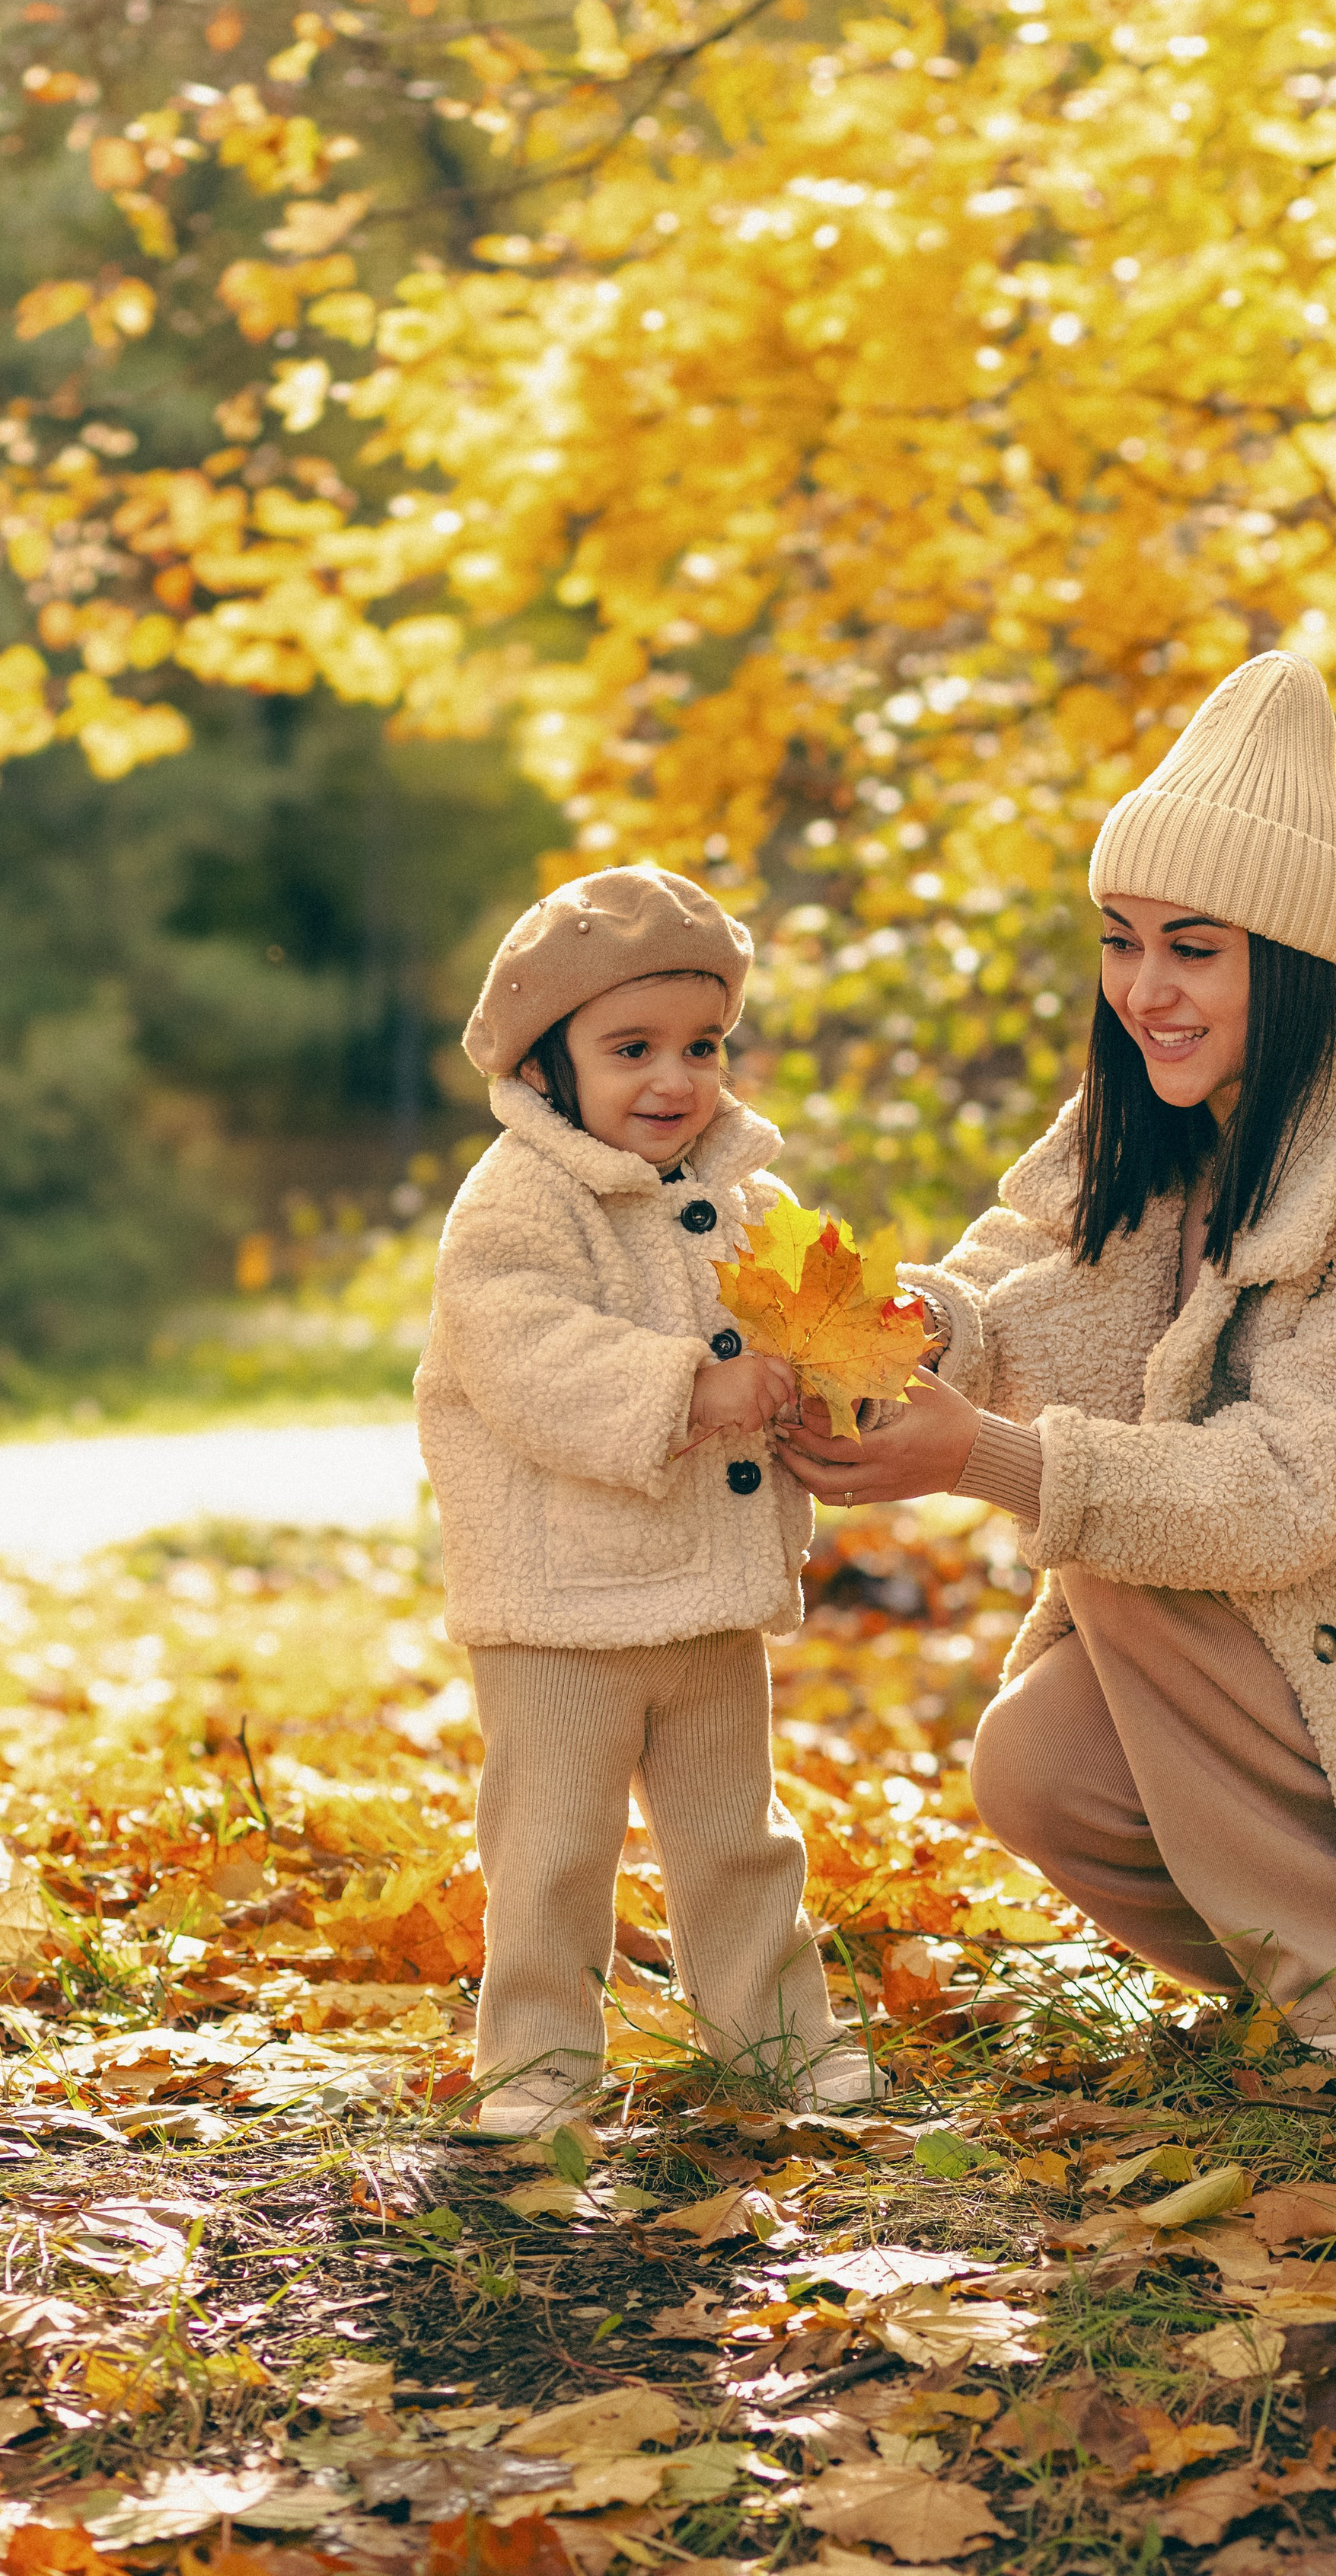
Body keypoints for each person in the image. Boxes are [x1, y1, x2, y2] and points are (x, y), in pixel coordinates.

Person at [777, 651, 1336, 2067]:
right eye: (1120, 940)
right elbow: (1033, 1264)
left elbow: (1283, 1494)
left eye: (1192, 948)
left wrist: (984, 1457)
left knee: (1119, 1542)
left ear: (1290, 957)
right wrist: (912, 1331)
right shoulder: (1169, 1098)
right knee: (1037, 1768)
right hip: (1326, 1617)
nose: (1144, 989)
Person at [416, 865, 869, 2135]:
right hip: (561, 1606)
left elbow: (801, 1323)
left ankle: (777, 2040)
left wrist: (829, 1373)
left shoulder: (747, 1199)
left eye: (702, 1045)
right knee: (552, 1850)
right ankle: (538, 2062)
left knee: (738, 1840)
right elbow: (528, 1359)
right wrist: (694, 1386)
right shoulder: (517, 1200)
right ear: (547, 1063)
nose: (675, 1079)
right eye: (632, 1049)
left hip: (711, 1592)